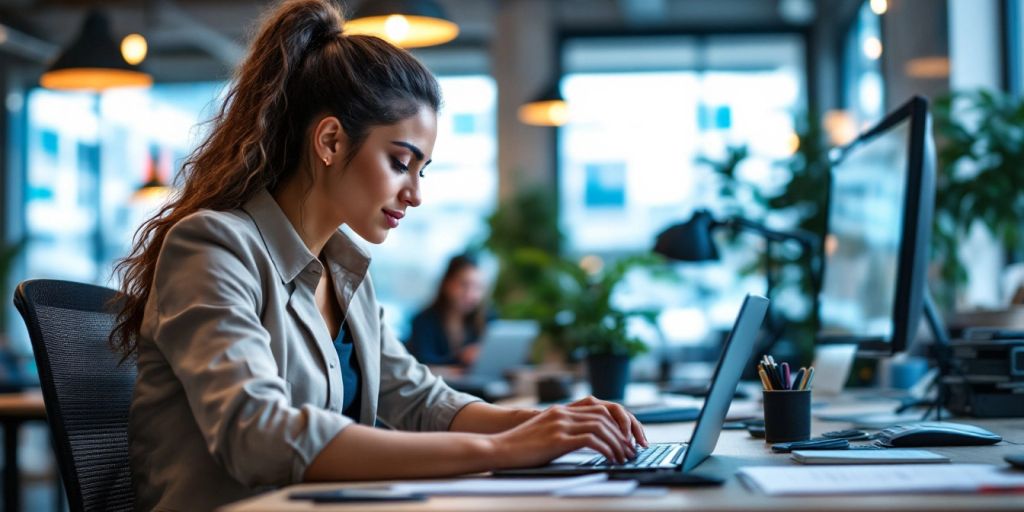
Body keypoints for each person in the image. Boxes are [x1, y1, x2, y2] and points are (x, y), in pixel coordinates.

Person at [109, 1, 646, 510]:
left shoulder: (346, 273)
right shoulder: (214, 247)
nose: (415, 193)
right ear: (331, 142)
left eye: (422, 170)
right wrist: (502, 451)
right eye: (400, 162)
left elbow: (418, 401)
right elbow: (258, 434)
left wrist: (549, 424)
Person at [407, 254, 492, 366]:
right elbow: (423, 363)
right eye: (464, 285)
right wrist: (461, 357)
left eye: (478, 287)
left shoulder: (489, 320)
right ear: (447, 284)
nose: (471, 294)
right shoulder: (423, 320)